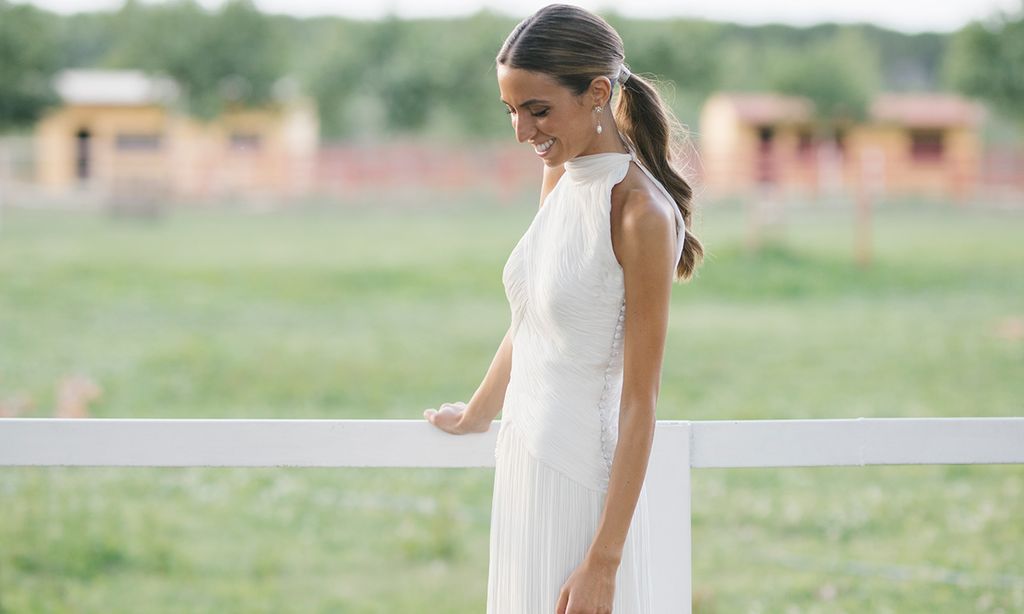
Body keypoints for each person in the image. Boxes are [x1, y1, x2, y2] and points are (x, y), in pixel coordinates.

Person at [423, 4, 704, 612]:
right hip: (524, 462)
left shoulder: (640, 214)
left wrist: (604, 560)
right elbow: (532, 321)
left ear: (598, 92)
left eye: (538, 110)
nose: (522, 132)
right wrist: (477, 414)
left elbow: (640, 399)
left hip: (584, 486)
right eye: (511, 111)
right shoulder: (562, 174)